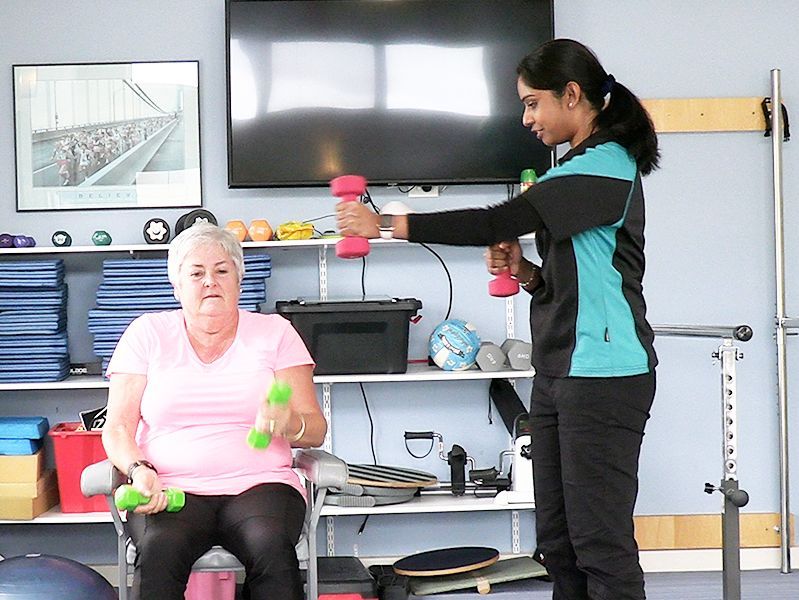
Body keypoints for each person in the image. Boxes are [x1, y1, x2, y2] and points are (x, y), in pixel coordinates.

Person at [336, 38, 659, 600]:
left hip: (606, 374)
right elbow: (575, 278)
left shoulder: (604, 166)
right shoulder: (578, 168)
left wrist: (386, 225)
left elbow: (495, 220)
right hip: (562, 371)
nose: (527, 118)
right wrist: (529, 273)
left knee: (600, 546)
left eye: (534, 103)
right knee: (558, 544)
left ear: (573, 94)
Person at [102, 223, 327, 600]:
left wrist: (291, 425)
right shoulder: (146, 334)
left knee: (270, 545)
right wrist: (140, 472)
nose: (210, 282)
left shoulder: (276, 333)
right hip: (169, 489)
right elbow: (118, 428)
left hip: (261, 486)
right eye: (196, 273)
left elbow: (315, 429)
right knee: (161, 550)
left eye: (222, 271)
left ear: (239, 281)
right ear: (177, 285)